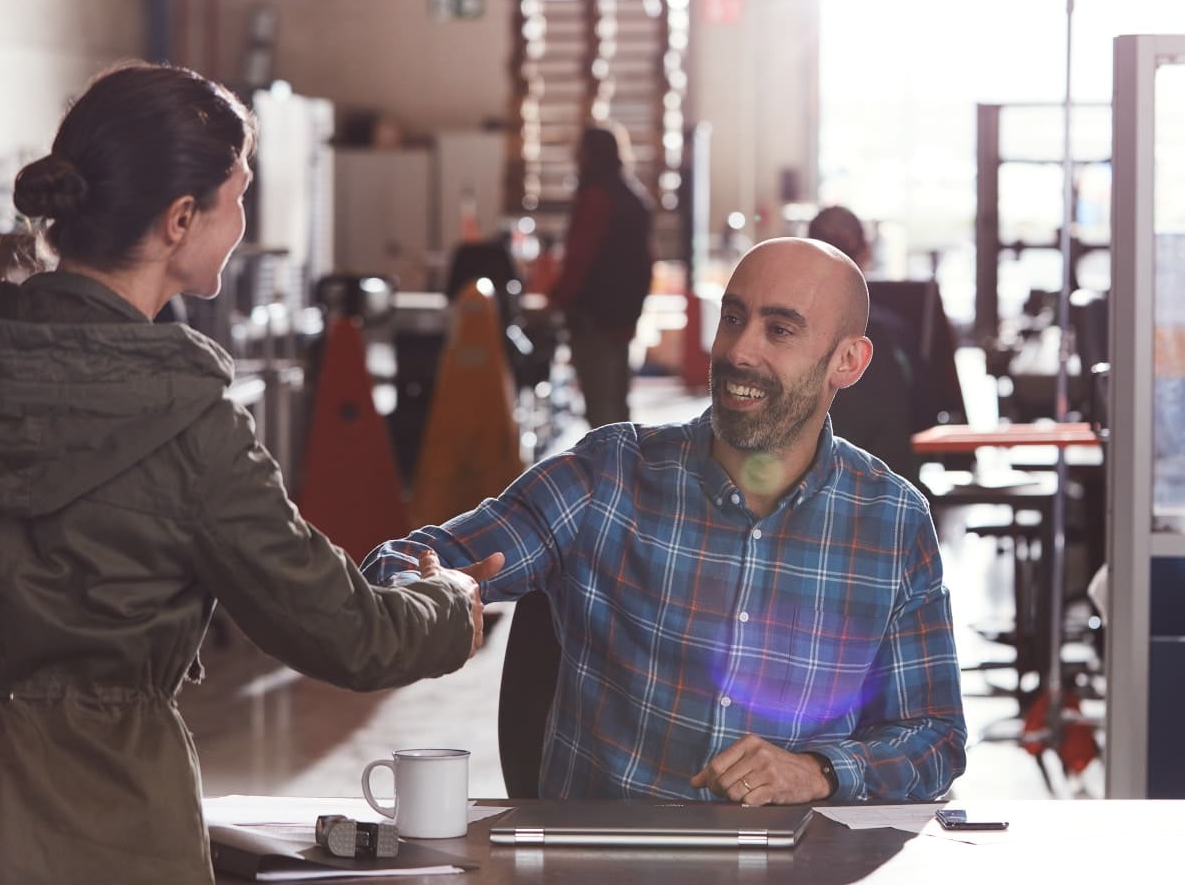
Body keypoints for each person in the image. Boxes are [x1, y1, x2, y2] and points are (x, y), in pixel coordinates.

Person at [0, 62, 503, 885]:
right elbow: (346, 632)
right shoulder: (187, 422)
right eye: (238, 199)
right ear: (180, 219)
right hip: (108, 825)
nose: (243, 224)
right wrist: (449, 606)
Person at [364, 238, 967, 804]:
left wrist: (820, 771)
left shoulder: (892, 523)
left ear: (848, 362)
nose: (739, 351)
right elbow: (399, 565)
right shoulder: (608, 476)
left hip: (788, 866)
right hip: (602, 867)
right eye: (733, 318)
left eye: (778, 330)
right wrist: (432, 594)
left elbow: (935, 737)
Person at [549, 123, 653, 427]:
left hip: (595, 316)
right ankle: (629, 469)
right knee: (618, 402)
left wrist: (558, 298)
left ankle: (610, 472)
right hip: (624, 314)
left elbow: (580, 257)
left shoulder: (596, 198)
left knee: (601, 405)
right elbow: (647, 260)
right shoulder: (634, 196)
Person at [808, 205, 921, 482]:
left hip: (801, 487)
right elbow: (924, 415)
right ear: (867, 252)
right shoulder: (893, 333)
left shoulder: (780, 328)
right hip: (887, 485)